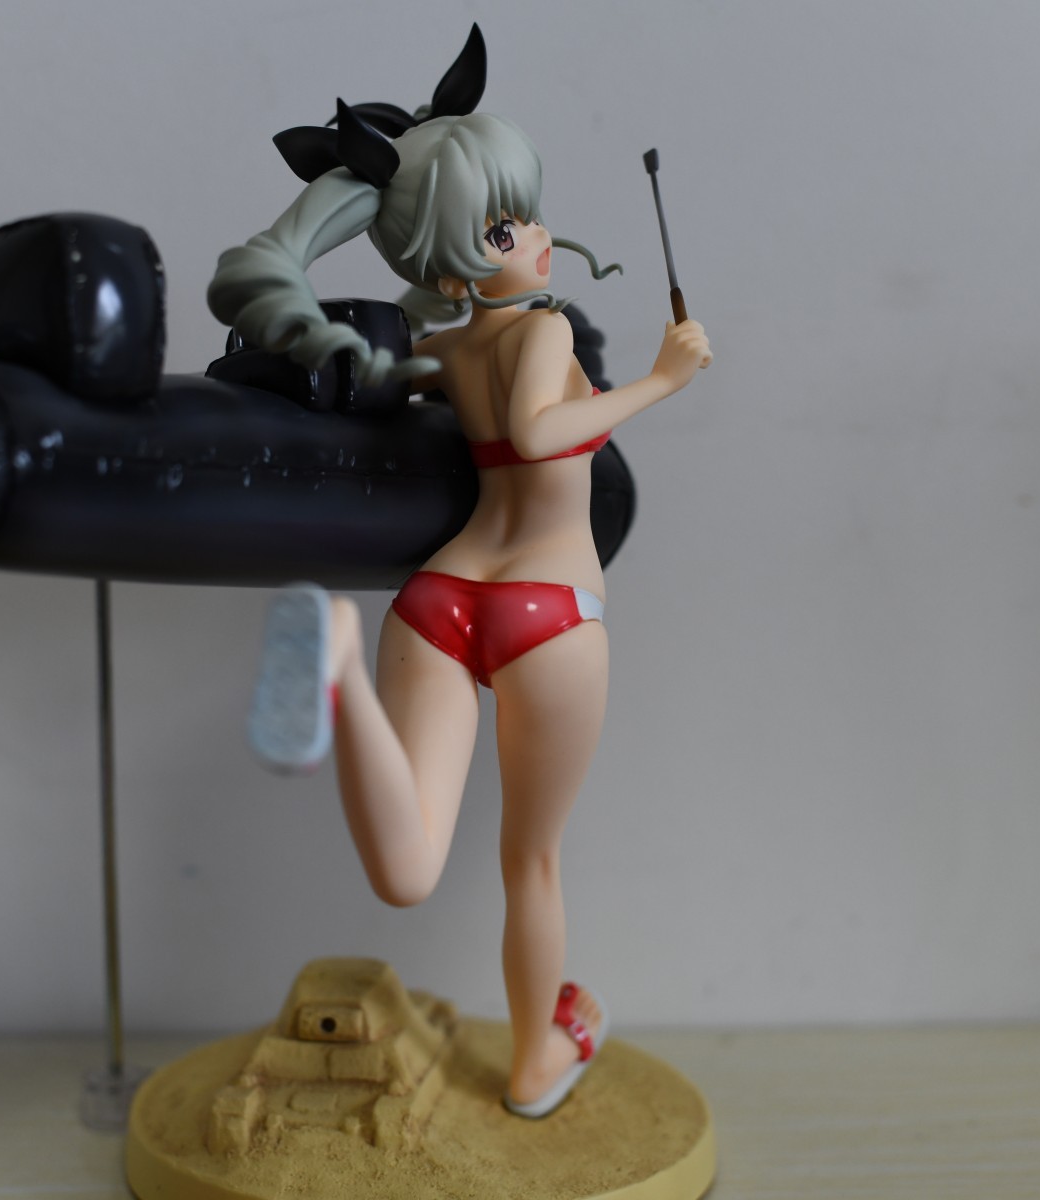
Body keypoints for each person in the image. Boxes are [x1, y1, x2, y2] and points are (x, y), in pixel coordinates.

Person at [208, 26, 711, 1118]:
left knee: (407, 873)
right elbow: (538, 436)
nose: (536, 234)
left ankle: (340, 663)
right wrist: (663, 382)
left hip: (437, 600)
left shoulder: (444, 348)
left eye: (527, 211)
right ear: (453, 265)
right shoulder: (540, 333)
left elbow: (409, 393)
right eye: (502, 225)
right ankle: (537, 1064)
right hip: (548, 613)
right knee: (531, 861)